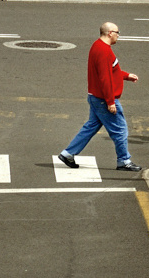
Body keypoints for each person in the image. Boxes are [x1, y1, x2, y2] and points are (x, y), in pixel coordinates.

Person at [58, 22, 142, 172]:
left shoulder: (98, 46)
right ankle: (124, 160)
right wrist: (110, 102)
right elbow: (105, 78)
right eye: (117, 32)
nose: (118, 35)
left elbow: (111, 73)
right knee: (120, 129)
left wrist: (126, 76)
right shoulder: (103, 51)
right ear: (110, 33)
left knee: (90, 127)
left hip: (96, 97)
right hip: (104, 99)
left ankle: (68, 153)